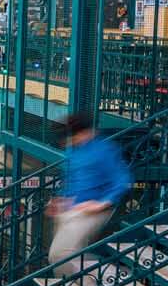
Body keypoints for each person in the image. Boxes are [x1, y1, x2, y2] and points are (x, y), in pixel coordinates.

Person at [47, 114, 132, 276]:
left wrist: (102, 203)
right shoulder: (73, 150)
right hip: (71, 208)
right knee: (61, 256)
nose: (70, 141)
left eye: (74, 136)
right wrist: (60, 198)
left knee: (61, 255)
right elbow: (72, 177)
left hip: (94, 209)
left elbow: (123, 180)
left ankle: (117, 276)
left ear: (86, 132)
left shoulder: (104, 150)